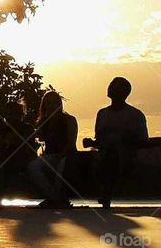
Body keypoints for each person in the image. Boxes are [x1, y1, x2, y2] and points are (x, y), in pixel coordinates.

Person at [83, 77, 148, 208]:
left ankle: (106, 194)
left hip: (126, 155)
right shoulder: (102, 114)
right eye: (111, 85)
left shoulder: (135, 115)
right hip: (104, 153)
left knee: (111, 157)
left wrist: (123, 141)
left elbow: (143, 140)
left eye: (115, 86)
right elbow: (100, 141)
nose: (110, 88)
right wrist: (91, 143)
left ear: (124, 92)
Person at [0, 100, 38, 206]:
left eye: (13, 114)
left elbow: (22, 144)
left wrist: (9, 141)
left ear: (20, 115)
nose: (10, 117)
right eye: (8, 114)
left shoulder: (27, 128)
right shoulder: (4, 130)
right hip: (7, 157)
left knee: (1, 162)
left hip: (24, 158)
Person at [27, 91, 78, 208]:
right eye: (48, 103)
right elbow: (37, 141)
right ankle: (53, 197)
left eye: (54, 103)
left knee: (62, 165)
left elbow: (71, 143)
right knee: (33, 166)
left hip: (67, 156)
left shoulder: (69, 120)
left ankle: (56, 198)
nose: (51, 106)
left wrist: (62, 155)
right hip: (51, 157)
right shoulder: (43, 122)